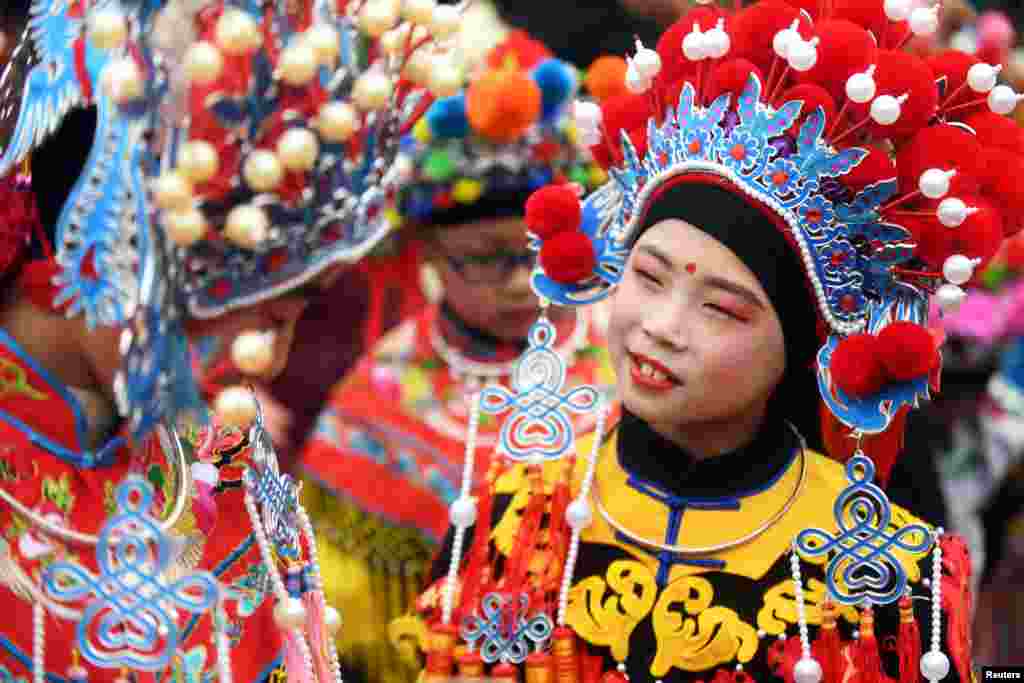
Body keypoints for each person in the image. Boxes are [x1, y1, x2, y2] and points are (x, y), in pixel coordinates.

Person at [397, 1, 1024, 681]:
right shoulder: (510, 518)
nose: (662, 327)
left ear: (807, 345)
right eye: (649, 275)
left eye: (723, 309)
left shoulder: (892, 585)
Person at [0, 0, 462, 681]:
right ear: (115, 260)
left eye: (292, 317)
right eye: (262, 319)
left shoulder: (221, 447)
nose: (268, 362)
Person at [297, 30, 618, 683]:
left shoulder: (629, 349)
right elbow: (341, 625)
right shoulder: (376, 396)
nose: (517, 280)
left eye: (537, 251)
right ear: (429, 253)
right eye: (485, 258)